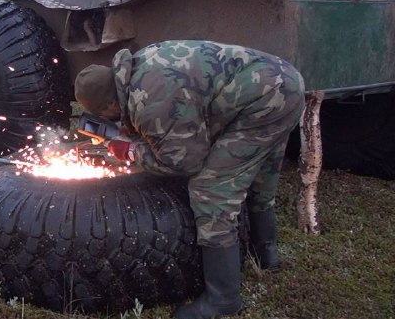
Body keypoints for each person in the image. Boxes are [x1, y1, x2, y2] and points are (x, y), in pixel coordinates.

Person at [74, 40, 305, 319]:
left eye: (103, 115)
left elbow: (185, 162)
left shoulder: (148, 101)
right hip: (285, 80)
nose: (105, 119)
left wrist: (132, 151)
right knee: (262, 171)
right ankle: (266, 254)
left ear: (111, 102)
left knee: (210, 189)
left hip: (262, 100)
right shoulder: (140, 64)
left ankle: (223, 299)